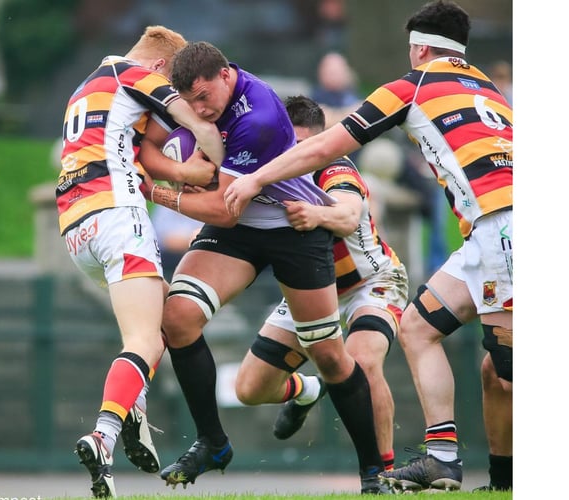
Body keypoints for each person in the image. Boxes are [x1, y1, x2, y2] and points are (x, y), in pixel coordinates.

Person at [224, 0, 513, 493]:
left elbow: (326, 144)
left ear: (420, 48)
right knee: (421, 329)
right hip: (487, 234)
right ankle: (449, 461)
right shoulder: (490, 90)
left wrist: (256, 179)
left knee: (509, 370)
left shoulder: (414, 85)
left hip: (501, 226)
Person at [142, 40, 386, 494]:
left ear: (226, 76)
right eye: (189, 101)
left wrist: (157, 191)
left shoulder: (257, 118)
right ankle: (212, 442)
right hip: (241, 230)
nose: (198, 110)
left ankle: (374, 471)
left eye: (204, 98)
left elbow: (224, 208)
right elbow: (149, 149)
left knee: (331, 357)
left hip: (291, 228)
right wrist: (178, 171)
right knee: (177, 319)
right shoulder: (200, 97)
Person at [56, 25, 225, 498]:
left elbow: (139, 144)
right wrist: (216, 165)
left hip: (76, 227)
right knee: (146, 339)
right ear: (158, 68)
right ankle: (105, 435)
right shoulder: (139, 75)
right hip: (118, 218)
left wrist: (175, 172)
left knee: (165, 318)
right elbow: (197, 124)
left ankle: (139, 412)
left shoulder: (85, 86)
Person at [233, 95, 409, 489]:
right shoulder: (263, 167)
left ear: (319, 142)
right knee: (249, 389)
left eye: (300, 146)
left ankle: (383, 476)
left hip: (371, 282)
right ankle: (307, 389)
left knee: (362, 361)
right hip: (310, 288)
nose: (291, 155)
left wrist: (317, 214)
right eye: (284, 144)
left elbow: (347, 216)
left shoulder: (334, 167)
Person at [310, 51, 362, 128]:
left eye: (337, 71)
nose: (334, 76)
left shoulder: (352, 94)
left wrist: (334, 115)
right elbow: (322, 120)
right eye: (330, 72)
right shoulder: (315, 97)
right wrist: (349, 114)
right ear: (321, 73)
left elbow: (362, 117)